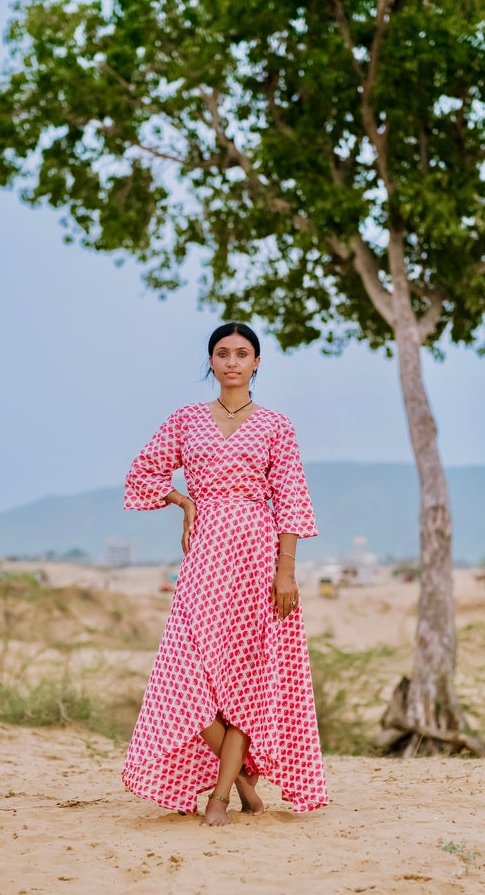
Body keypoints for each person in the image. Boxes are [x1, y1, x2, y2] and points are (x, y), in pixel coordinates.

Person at [122, 322, 328, 826]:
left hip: (257, 557)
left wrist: (286, 572)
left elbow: (293, 500)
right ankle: (238, 781)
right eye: (222, 353)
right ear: (210, 362)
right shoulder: (187, 420)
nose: (232, 361)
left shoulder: (275, 425)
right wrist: (183, 499)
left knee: (249, 677)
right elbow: (142, 473)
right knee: (187, 678)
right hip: (204, 559)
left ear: (257, 363)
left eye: (242, 353)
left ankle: (219, 800)